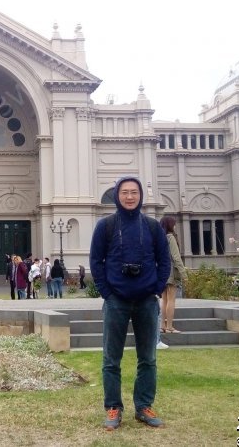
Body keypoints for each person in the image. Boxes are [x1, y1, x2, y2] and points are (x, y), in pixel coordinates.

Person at [90, 175, 170, 431]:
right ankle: (113, 408)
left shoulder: (152, 226)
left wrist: (156, 289)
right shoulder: (106, 226)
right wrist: (106, 292)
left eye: (134, 192)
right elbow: (96, 261)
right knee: (111, 359)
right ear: (117, 195)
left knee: (148, 358)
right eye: (124, 192)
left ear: (140, 195)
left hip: (146, 300)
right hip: (116, 301)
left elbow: (164, 260)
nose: (129, 196)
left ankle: (144, 406)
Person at [159, 216, 186, 335]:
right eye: (174, 224)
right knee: (171, 300)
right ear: (170, 225)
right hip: (171, 272)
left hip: (161, 272)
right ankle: (169, 326)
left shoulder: (159, 238)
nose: (175, 226)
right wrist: (184, 273)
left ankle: (162, 326)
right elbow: (176, 257)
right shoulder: (170, 237)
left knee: (164, 299)